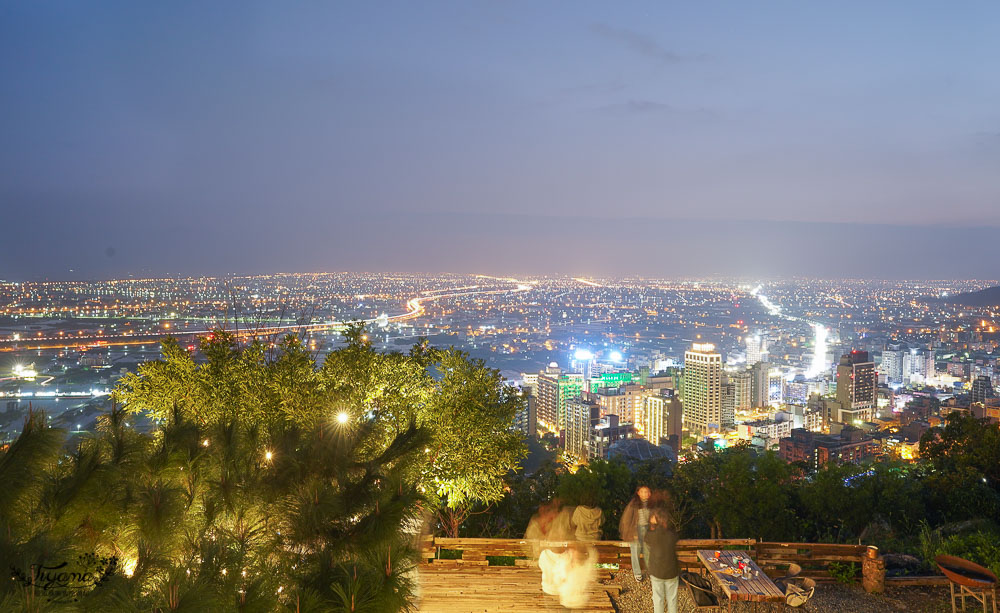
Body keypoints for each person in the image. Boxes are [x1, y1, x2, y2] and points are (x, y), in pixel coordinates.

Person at [644, 508, 679, 613]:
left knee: (658, 599)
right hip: (672, 572)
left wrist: (652, 526)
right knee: (672, 599)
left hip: (656, 572)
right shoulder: (672, 535)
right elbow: (676, 535)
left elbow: (646, 537)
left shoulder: (651, 535)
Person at [619, 485, 652, 581]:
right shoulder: (633, 504)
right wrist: (633, 532)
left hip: (647, 529)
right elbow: (627, 519)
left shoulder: (652, 504)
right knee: (635, 551)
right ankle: (637, 573)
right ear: (638, 493)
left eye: (647, 491)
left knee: (648, 551)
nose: (645, 494)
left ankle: (650, 571)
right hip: (636, 529)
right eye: (643, 491)